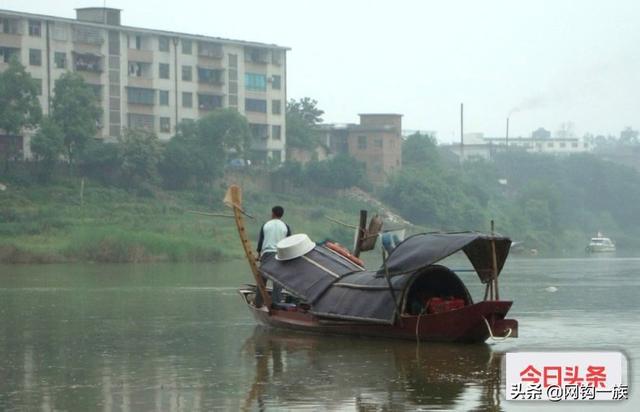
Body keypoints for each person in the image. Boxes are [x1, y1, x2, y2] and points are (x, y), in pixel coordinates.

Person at [255, 205, 291, 307]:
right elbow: (289, 242)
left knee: (262, 279)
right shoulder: (285, 226)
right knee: (278, 280)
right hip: (280, 255)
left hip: (267, 254)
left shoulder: (266, 225)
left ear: (273, 213)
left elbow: (261, 241)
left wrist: (258, 254)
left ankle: (258, 302)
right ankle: (277, 304)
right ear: (281, 215)